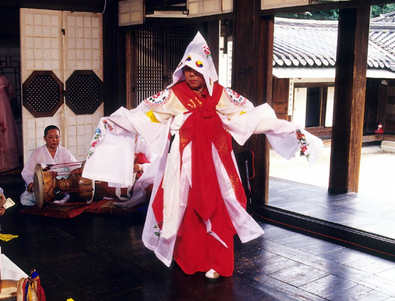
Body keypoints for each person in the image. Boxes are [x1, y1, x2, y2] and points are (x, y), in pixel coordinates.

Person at [82, 32, 323, 278]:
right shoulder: (173, 95)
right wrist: (115, 122)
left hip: (217, 164)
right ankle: (188, 259)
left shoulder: (222, 95)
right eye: (187, 71)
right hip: (183, 162)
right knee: (182, 205)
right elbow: (145, 116)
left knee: (218, 206)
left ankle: (217, 264)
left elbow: (249, 118)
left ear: (207, 72)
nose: (191, 76)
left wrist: (291, 130)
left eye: (196, 72)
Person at [20, 125, 79, 206]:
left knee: (75, 191)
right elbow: (27, 172)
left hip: (62, 186)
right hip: (45, 187)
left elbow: (75, 167)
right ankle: (56, 201)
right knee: (25, 199)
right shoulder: (37, 153)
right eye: (51, 137)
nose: (54, 140)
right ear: (45, 138)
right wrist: (31, 182)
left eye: (57, 137)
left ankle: (59, 199)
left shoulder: (64, 152)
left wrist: (76, 176)